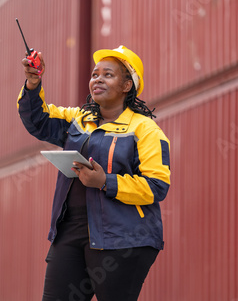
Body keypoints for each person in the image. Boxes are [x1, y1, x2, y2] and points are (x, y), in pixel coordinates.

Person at [17, 45, 171, 301]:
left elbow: (157, 187)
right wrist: (33, 83)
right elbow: (39, 120)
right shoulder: (78, 120)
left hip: (123, 238)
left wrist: (105, 182)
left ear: (127, 86)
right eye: (94, 74)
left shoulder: (146, 130)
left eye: (108, 74)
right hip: (71, 231)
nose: (97, 78)